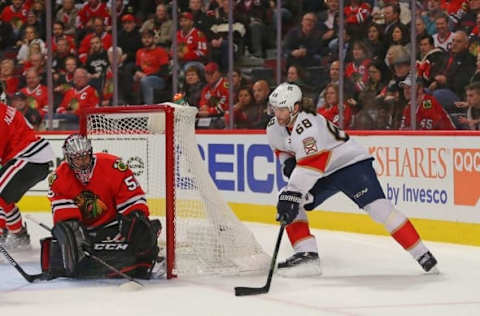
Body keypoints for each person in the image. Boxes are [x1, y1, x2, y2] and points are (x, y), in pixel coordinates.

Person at [266, 82, 438, 277]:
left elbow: (313, 164)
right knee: (290, 200)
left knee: (379, 209)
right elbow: (282, 150)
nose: (276, 114)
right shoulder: (274, 128)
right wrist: (287, 162)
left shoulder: (309, 125)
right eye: (274, 109)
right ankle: (307, 257)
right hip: (323, 173)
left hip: (350, 164)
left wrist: (293, 191)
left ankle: (422, 255)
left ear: (295, 108)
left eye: (281, 109)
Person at [42, 134, 162, 279]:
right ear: (68, 159)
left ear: (91, 153)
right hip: (85, 231)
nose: (83, 163)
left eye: (85, 157)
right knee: (67, 244)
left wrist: (134, 220)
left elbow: (133, 201)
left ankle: (145, 261)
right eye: (77, 159)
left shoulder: (113, 166)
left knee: (140, 229)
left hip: (114, 226)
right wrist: (76, 240)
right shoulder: (59, 179)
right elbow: (67, 219)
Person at [0, 101, 54, 249]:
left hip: (29, 158)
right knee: (4, 197)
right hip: (33, 158)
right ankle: (17, 234)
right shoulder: (5, 109)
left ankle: (13, 234)